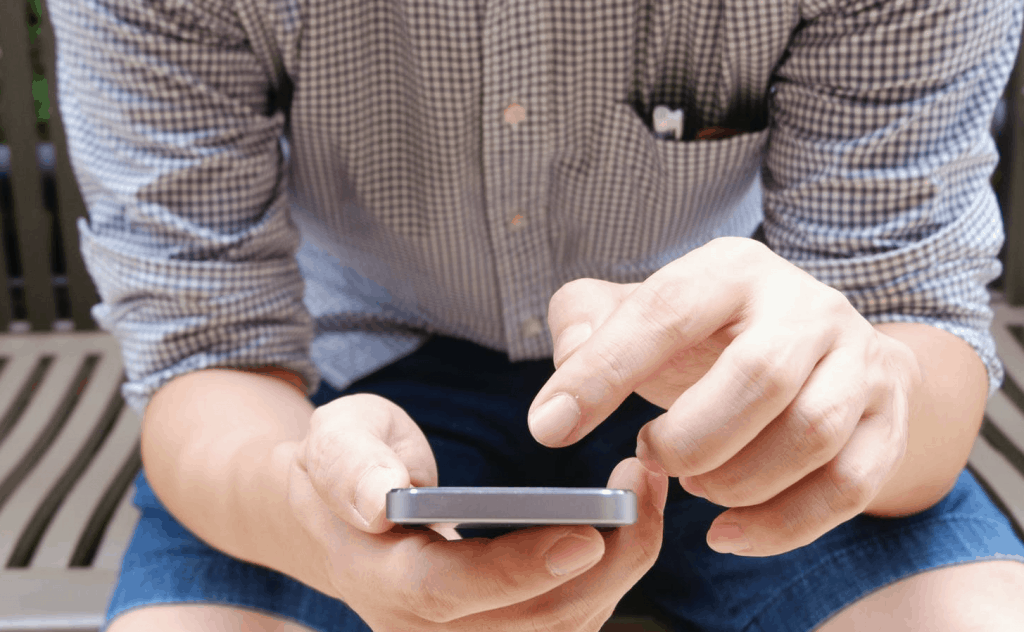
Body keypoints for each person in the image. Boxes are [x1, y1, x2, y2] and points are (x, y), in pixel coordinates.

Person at [48, 0, 1024, 630]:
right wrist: (306, 512)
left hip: (737, 377)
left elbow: (904, 320)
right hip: (332, 396)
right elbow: (204, 353)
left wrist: (860, 393)